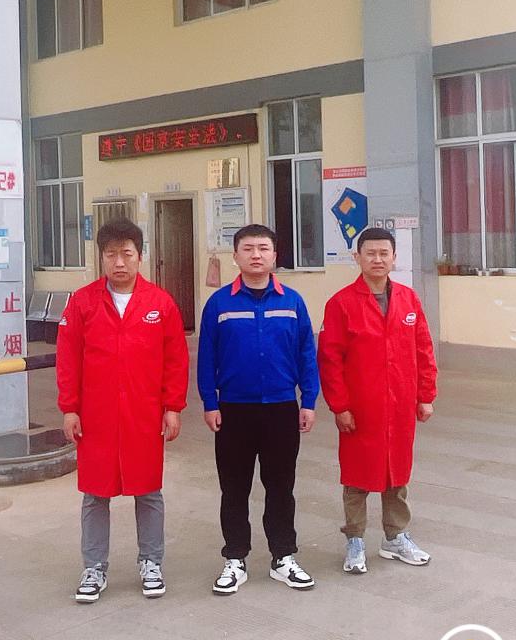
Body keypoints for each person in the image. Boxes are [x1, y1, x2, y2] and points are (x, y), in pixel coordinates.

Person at [56, 218, 189, 604]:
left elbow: (175, 359)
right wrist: (69, 408)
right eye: (111, 254)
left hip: (143, 415)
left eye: (126, 254)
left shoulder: (160, 303)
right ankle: (94, 567)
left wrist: (173, 407)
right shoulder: (82, 302)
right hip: (95, 416)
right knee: (95, 493)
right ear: (101, 258)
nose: (119, 262)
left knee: (148, 490)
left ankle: (151, 562)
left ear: (140, 256)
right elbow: (68, 359)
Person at [198, 224, 319, 594]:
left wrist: (308, 400)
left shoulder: (292, 302)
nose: (256, 255)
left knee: (281, 487)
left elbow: (306, 354)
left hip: (281, 408)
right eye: (248, 248)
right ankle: (235, 558)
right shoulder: (219, 304)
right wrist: (210, 402)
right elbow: (206, 358)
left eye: (263, 248)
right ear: (235, 256)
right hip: (233, 410)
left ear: (274, 255)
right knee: (234, 488)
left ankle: (283, 556)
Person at [317, 227, 437, 575]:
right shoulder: (341, 303)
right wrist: (340, 406)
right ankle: (355, 539)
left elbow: (423, 349)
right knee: (357, 476)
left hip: (400, 405)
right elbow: (330, 360)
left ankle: (395, 537)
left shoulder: (408, 300)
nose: (378, 259)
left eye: (384, 253)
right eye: (370, 253)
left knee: (397, 473)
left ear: (394, 257)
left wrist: (425, 395)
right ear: (357, 257)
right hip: (361, 408)